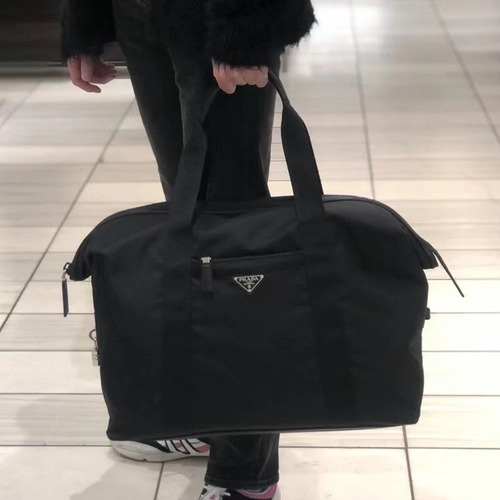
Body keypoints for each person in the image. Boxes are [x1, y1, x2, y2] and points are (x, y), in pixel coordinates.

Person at [60, 1, 317, 499]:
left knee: (234, 244)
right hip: (143, 13)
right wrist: (85, 21)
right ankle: (212, 422)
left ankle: (246, 475)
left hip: (217, 12)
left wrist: (246, 28)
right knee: (193, 226)